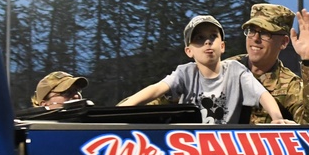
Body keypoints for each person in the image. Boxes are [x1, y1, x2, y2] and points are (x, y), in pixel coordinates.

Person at [119, 14, 290, 125]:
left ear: (222, 46)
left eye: (213, 37)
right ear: (189, 51)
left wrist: (277, 118)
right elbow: (155, 89)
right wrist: (118, 113)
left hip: (224, 148)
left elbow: (262, 94)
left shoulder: (236, 70)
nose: (207, 42)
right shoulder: (185, 73)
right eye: (199, 39)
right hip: (189, 146)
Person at [229, 4, 309, 125]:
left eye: (265, 33)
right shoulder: (227, 69)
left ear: (284, 42)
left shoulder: (289, 86)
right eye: (251, 31)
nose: (255, 38)